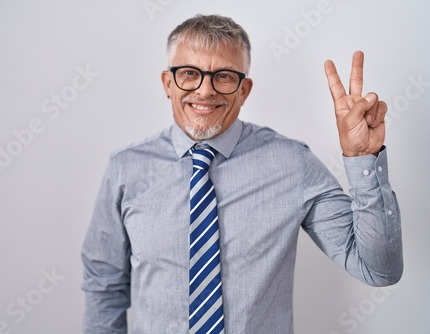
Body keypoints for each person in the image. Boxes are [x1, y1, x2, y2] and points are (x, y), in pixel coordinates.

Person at [81, 14, 403, 334]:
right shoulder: (126, 168)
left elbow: (378, 270)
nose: (205, 91)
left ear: (244, 90)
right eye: (190, 73)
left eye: (223, 76)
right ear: (168, 83)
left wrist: (363, 158)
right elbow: (104, 287)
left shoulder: (293, 164)